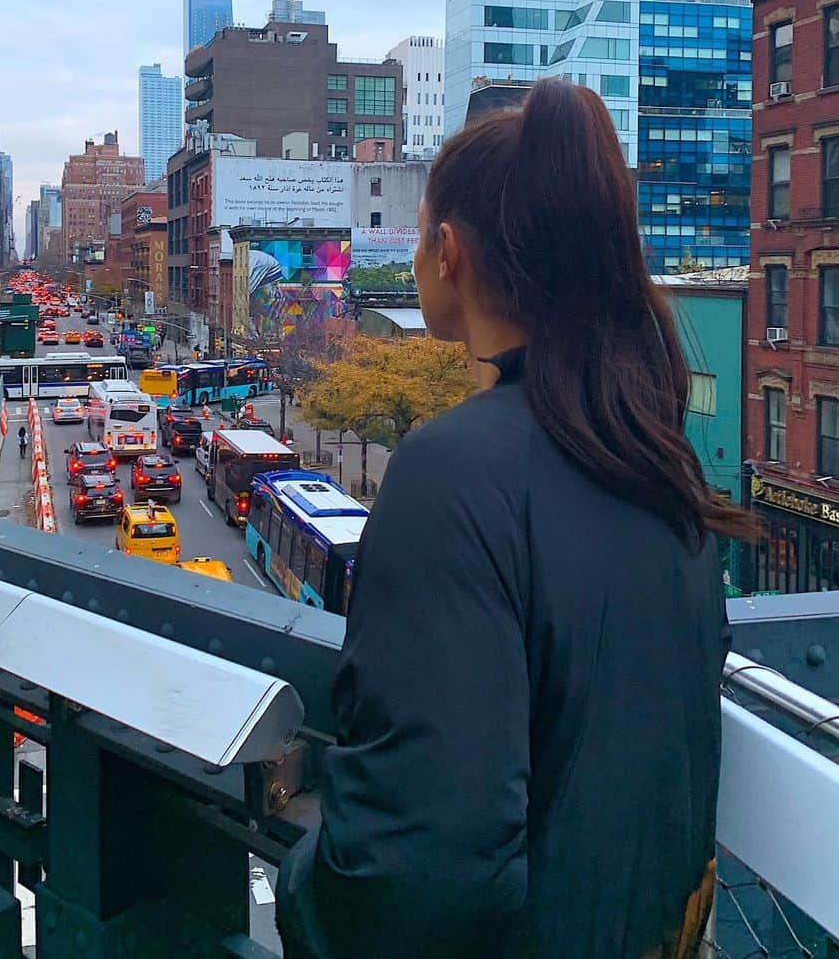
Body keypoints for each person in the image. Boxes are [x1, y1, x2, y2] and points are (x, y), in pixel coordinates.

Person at [277, 81, 743, 959]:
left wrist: (300, 889)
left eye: (420, 234)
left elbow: (418, 863)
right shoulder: (656, 460)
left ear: (447, 253)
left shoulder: (451, 472)